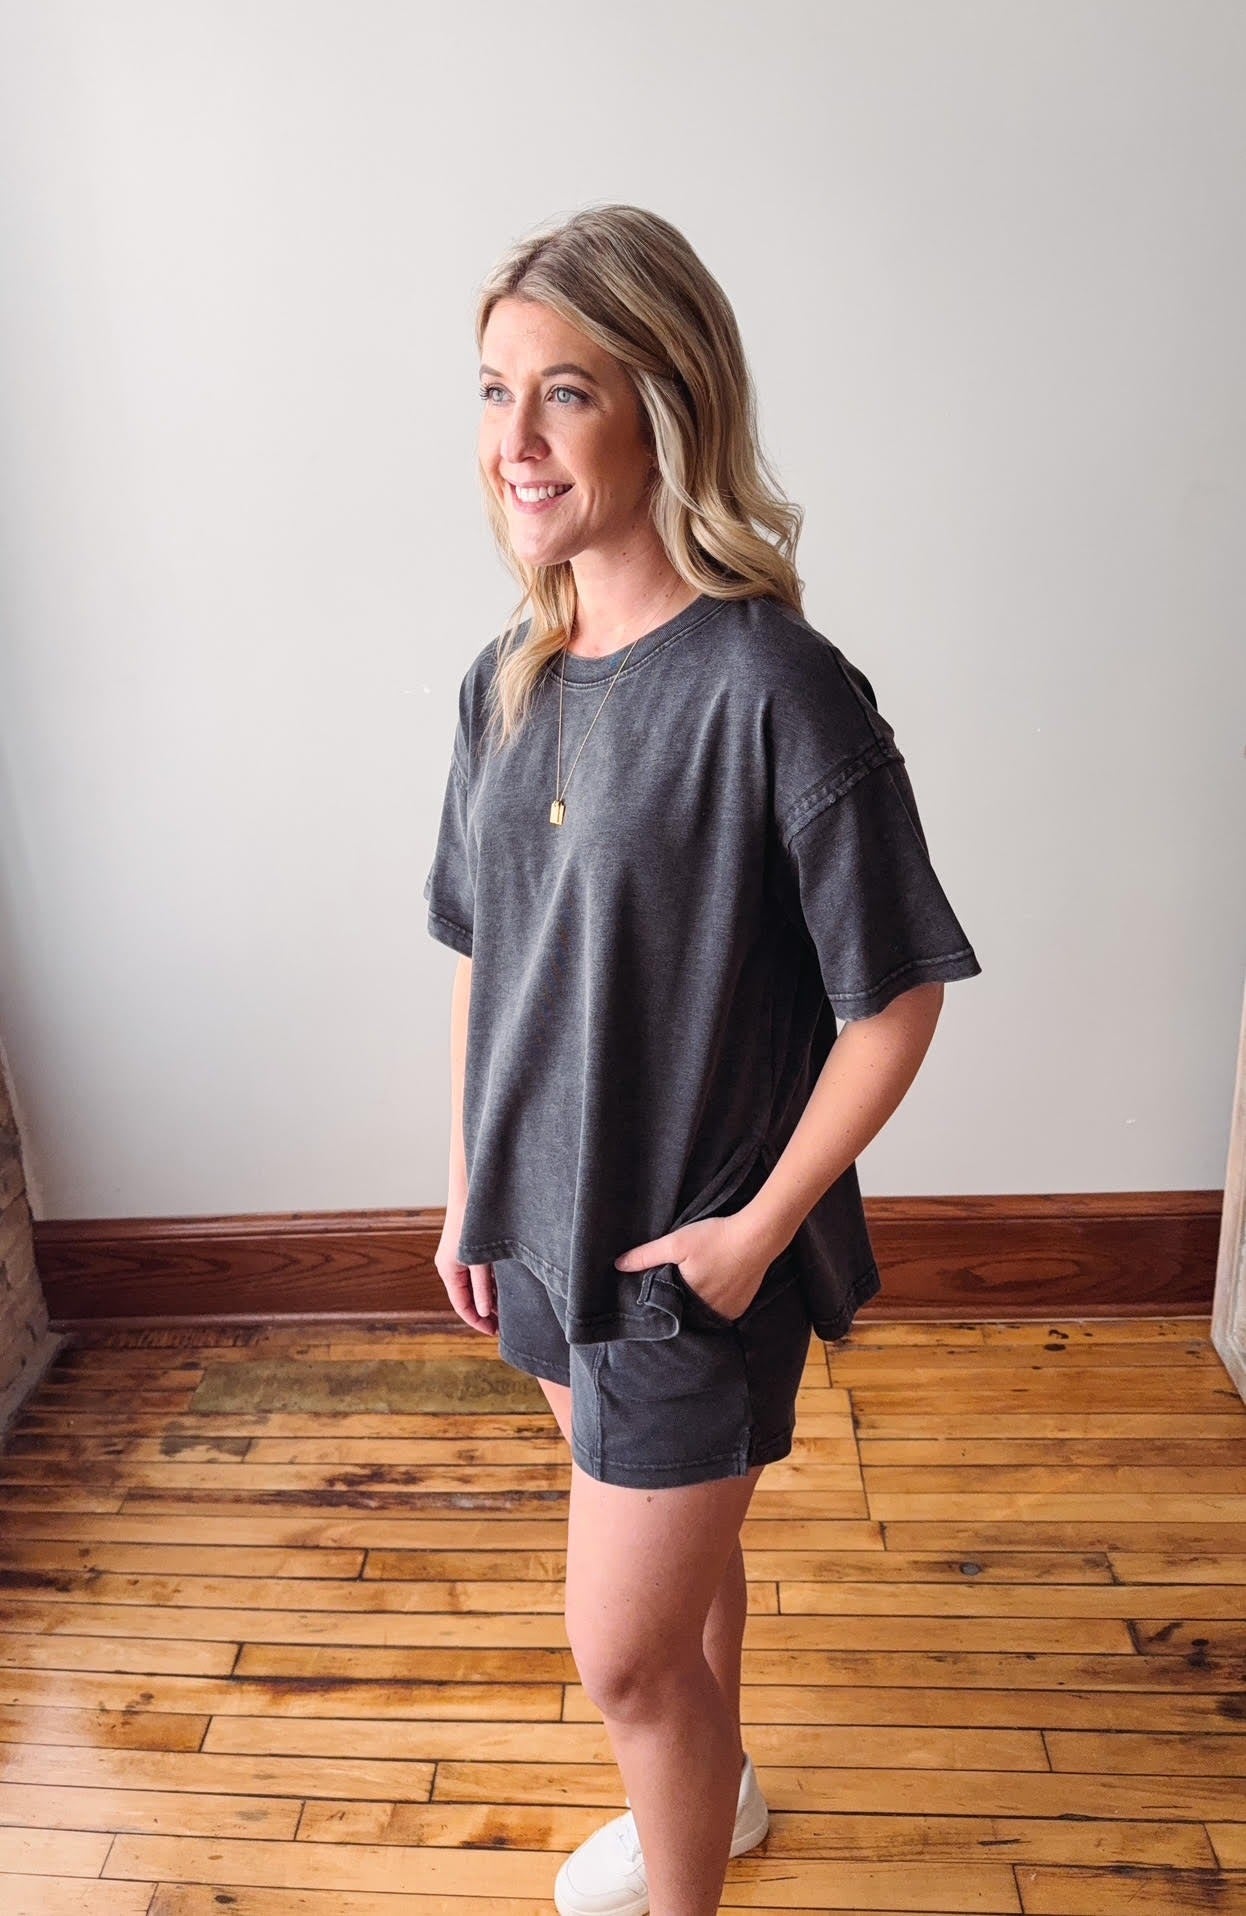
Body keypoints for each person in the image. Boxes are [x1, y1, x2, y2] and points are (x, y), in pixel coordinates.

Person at [424, 203, 983, 1916]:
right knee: (677, 1575)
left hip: (686, 1264)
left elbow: (894, 998)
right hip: (541, 1230)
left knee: (624, 1653)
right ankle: (716, 1796)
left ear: (666, 405)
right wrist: (465, 1189)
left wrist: (753, 1235)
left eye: (565, 392)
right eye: (495, 390)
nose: (516, 440)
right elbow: (486, 952)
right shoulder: (506, 680)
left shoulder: (774, 688)